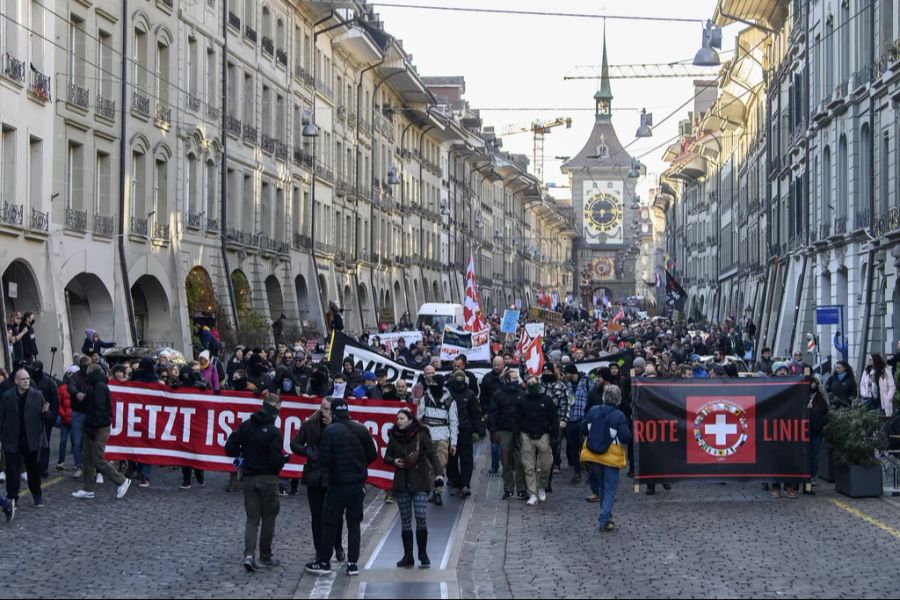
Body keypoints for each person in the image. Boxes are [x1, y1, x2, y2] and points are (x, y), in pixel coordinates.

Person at [305, 399, 378, 577]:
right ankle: (353, 563)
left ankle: (324, 561)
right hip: (357, 484)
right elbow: (372, 455)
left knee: (330, 522)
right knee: (354, 524)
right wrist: (359, 466)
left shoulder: (330, 431)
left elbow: (325, 460)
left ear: (334, 412)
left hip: (337, 485)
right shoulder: (360, 429)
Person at [225, 393, 290, 571]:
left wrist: (243, 454)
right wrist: (283, 460)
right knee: (269, 518)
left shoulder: (246, 426)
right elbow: (276, 460)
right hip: (268, 479)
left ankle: (249, 554)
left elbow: (229, 447)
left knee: (252, 519)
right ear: (274, 408)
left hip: (249, 478)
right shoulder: (274, 431)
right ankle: (265, 556)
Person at [384, 408, 443, 569]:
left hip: (420, 481)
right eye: (397, 418)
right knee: (405, 520)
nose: (399, 421)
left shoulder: (421, 434)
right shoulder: (394, 436)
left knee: (421, 516)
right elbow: (387, 457)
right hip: (402, 482)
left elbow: (432, 455)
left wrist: (439, 474)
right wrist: (394, 461)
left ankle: (423, 554)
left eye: (402, 418)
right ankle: (408, 555)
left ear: (410, 420)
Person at [291, 397, 345, 563]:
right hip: (314, 474)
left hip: (333, 476)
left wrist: (332, 426)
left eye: (328, 409)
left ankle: (337, 545)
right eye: (322, 408)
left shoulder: (339, 426)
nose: (324, 412)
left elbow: (345, 446)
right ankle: (319, 550)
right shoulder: (310, 423)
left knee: (335, 513)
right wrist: (308, 451)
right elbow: (295, 444)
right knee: (316, 515)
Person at [70, 364, 131, 500]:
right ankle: (88, 488)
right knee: (87, 458)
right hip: (94, 427)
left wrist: (92, 428)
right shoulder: (98, 386)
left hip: (97, 428)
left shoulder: (98, 387)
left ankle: (121, 480)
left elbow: (99, 411)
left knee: (97, 459)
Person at [581, 385, 632, 532]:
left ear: (604, 397)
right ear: (618, 400)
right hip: (611, 456)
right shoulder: (619, 415)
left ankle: (608, 517)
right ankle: (604, 519)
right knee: (610, 489)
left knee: (602, 487)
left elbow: (583, 428)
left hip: (595, 455)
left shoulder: (593, 411)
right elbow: (625, 437)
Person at [0, 369, 50, 507]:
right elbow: (1, 417)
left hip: (31, 440)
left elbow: (45, 418)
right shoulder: (7, 396)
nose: (26, 381)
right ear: (16, 381)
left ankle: (37, 495)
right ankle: (12, 499)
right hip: (12, 440)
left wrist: (46, 412)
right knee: (12, 472)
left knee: (33, 470)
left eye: (28, 378)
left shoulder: (37, 395)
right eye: (23, 379)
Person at [416, 368, 457, 506]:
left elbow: (453, 422)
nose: (432, 384)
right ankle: (434, 489)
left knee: (439, 464)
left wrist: (454, 443)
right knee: (430, 467)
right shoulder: (425, 398)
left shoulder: (450, 400)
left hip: (443, 437)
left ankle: (438, 492)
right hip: (428, 437)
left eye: (434, 382)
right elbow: (418, 417)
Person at [516, 375, 557, 506]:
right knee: (528, 466)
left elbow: (554, 418)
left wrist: (555, 435)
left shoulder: (547, 399)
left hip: (543, 434)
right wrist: (516, 436)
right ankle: (532, 493)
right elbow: (517, 419)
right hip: (526, 434)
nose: (532, 385)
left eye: (534, 382)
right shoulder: (522, 400)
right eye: (530, 383)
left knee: (546, 464)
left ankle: (541, 486)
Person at [488, 369, 526, 499]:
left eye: (517, 378)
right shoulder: (498, 395)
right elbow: (492, 414)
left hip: (520, 431)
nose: (516, 380)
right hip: (504, 431)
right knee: (506, 461)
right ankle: (508, 489)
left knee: (521, 461)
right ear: (507, 380)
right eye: (514, 378)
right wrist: (493, 431)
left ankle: (521, 488)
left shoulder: (522, 394)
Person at [446, 370, 482, 498]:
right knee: (451, 459)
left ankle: (465, 484)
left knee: (467, 459)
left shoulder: (470, 394)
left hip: (465, 430)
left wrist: (477, 431)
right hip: (450, 431)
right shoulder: (448, 394)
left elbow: (475, 413)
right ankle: (456, 484)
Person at [28, 361, 58, 479]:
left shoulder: (49, 383)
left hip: (46, 418)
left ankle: (44, 468)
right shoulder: (30, 381)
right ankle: (35, 466)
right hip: (33, 418)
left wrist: (52, 417)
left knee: (45, 445)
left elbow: (55, 402)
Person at [480, 356, 506, 474]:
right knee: (494, 441)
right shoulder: (487, 378)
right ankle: (495, 465)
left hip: (507, 413)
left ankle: (508, 464)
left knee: (508, 442)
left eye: (498, 365)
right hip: (493, 414)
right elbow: (483, 397)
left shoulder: (508, 376)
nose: (496, 367)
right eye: (494, 365)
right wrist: (485, 411)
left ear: (503, 364)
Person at [806, 378, 829, 495]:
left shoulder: (820, 400)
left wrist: (813, 411)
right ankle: (806, 478)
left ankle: (812, 476)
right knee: (806, 455)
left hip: (816, 431)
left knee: (813, 455)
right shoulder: (802, 397)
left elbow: (825, 413)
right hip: (805, 431)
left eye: (813, 382)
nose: (812, 385)